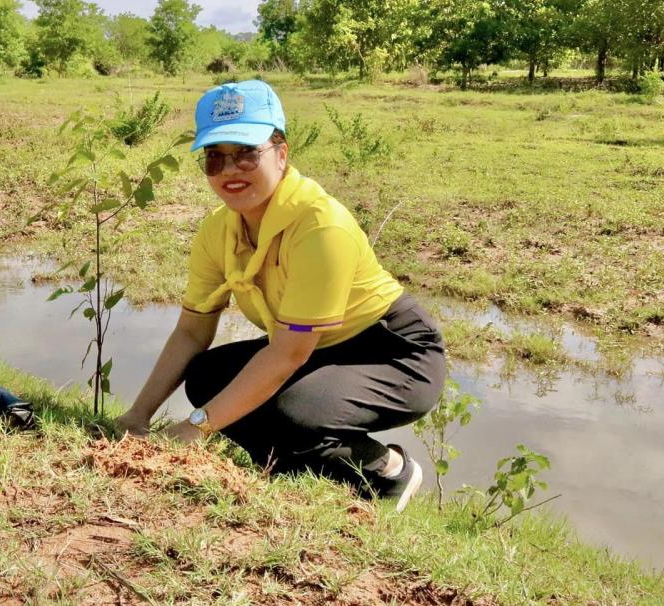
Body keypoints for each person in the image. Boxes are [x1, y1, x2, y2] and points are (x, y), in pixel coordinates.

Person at [114, 80, 446, 511]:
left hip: (393, 354)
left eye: (247, 154)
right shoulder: (219, 230)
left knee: (295, 414)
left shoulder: (320, 225)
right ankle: (292, 466)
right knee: (206, 377)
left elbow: (289, 354)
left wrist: (197, 427)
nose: (230, 170)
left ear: (282, 153)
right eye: (215, 158)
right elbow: (193, 332)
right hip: (316, 350)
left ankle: (388, 470)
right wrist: (137, 416)